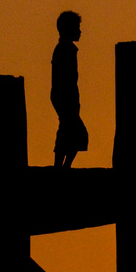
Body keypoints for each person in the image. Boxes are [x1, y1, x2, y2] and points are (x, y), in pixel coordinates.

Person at [51, 10, 87, 167]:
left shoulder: (64, 48)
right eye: (77, 28)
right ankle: (61, 166)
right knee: (72, 130)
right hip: (65, 95)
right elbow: (65, 75)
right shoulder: (66, 49)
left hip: (65, 95)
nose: (80, 31)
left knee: (70, 130)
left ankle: (62, 166)